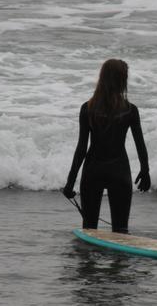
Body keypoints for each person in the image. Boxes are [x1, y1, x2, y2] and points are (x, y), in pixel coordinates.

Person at [62, 59, 151, 233]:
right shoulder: (130, 110)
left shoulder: (87, 108)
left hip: (92, 171)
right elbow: (140, 144)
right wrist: (145, 171)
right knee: (120, 231)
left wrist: (70, 182)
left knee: (89, 230)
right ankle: (119, 260)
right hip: (119, 171)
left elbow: (81, 148)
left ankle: (88, 261)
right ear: (122, 80)